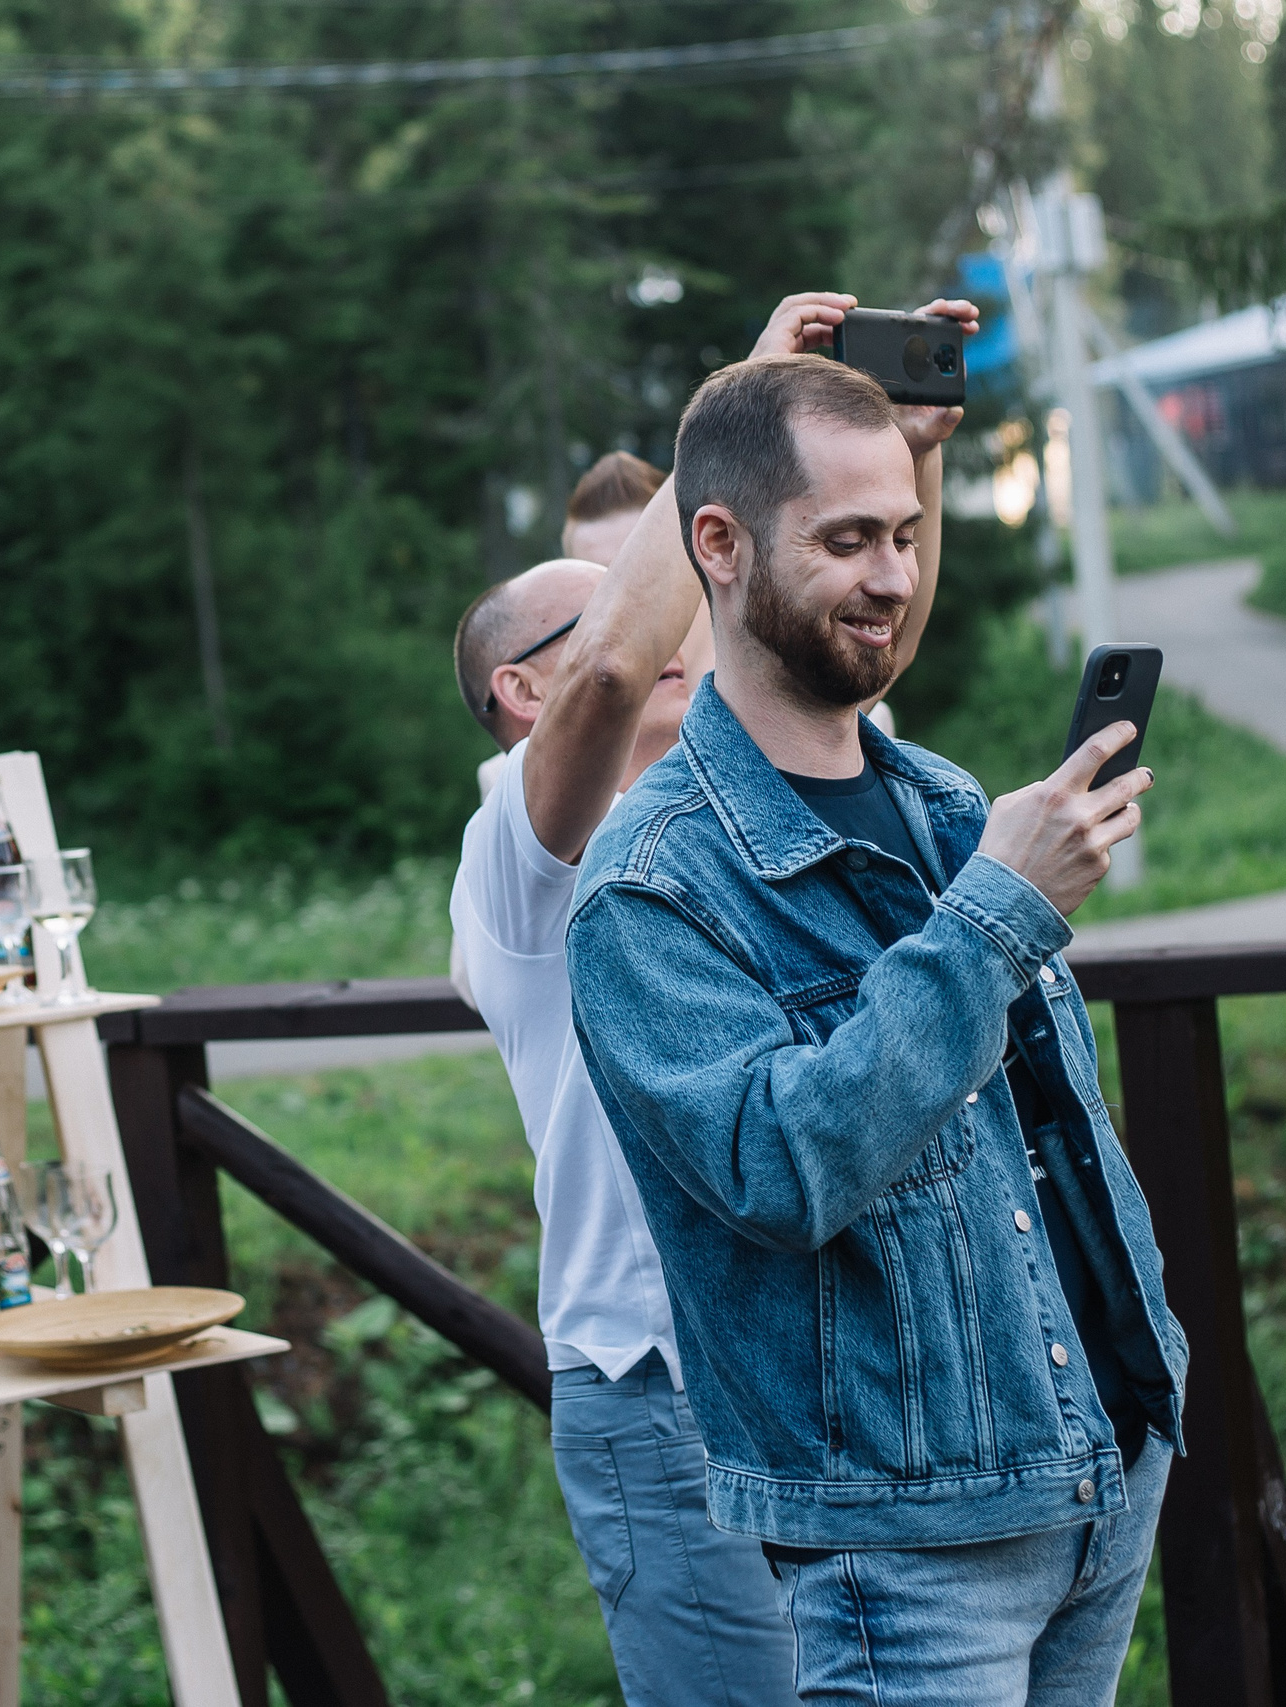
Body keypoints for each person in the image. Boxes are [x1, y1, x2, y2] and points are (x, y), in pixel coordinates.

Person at [562, 354, 1190, 1707]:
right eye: (847, 541)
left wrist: (1140, 1388)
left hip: (1096, 1466)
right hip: (907, 1546)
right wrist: (995, 919)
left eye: (905, 535)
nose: (896, 577)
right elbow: (781, 1167)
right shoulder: (650, 886)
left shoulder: (950, 803)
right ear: (718, 547)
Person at [448, 292, 976, 1706]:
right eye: (625, 583)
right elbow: (615, 664)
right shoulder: (518, 846)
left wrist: (900, 465)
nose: (665, 601)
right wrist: (742, 408)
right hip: (662, 1390)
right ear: (519, 691)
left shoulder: (757, 780)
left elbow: (867, 655)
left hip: (849, 1364)